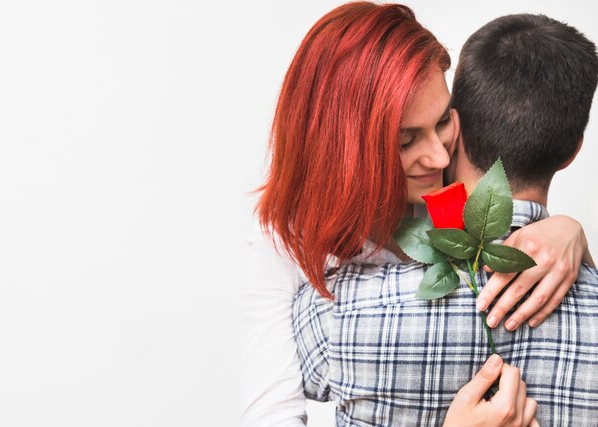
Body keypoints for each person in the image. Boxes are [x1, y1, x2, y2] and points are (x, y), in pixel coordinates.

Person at [242, 3, 591, 426]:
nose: (441, 154)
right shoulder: (285, 242)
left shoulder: (445, 190)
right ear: (346, 149)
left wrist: (569, 233)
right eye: (406, 141)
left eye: (443, 120)